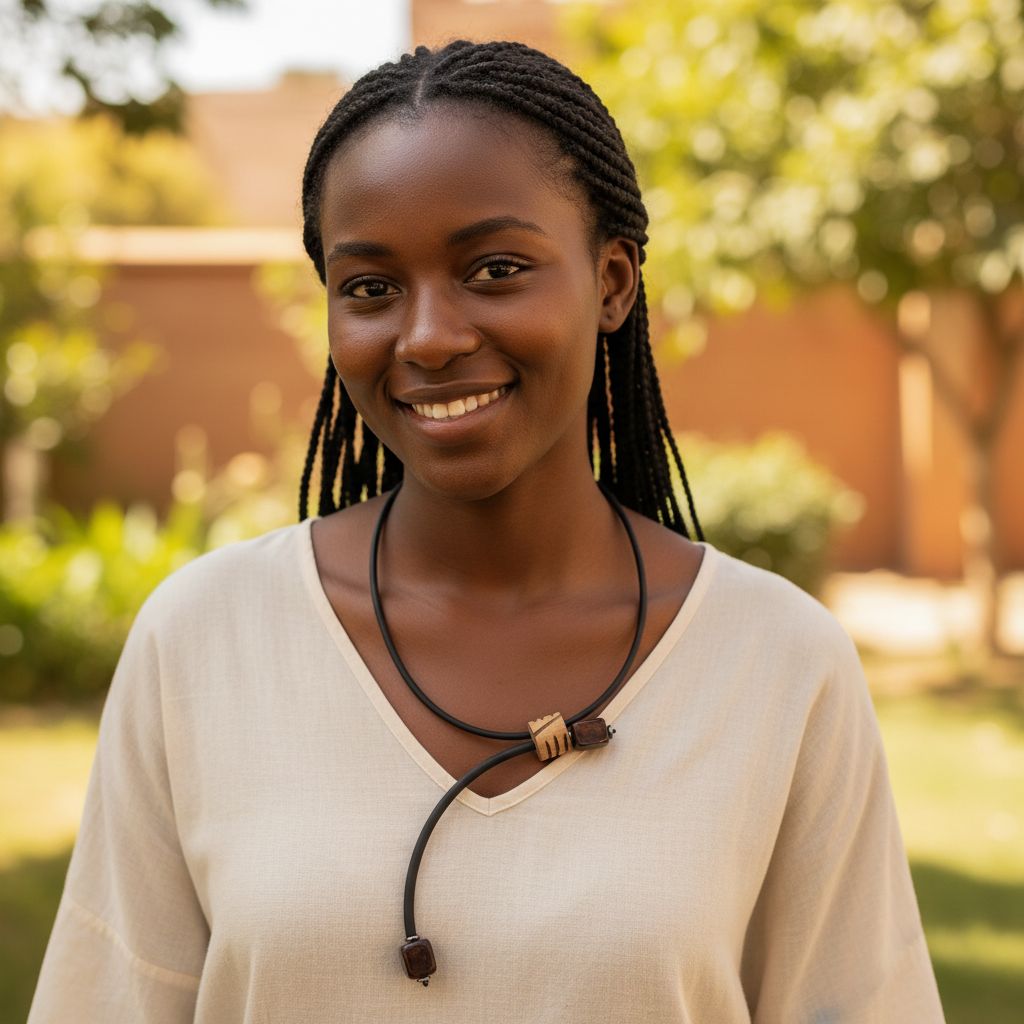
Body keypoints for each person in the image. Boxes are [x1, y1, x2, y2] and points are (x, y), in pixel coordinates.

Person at [29, 40, 945, 1023]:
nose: (427, 335)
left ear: (611, 282)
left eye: (494, 269)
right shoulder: (204, 641)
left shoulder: (776, 663)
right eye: (371, 287)